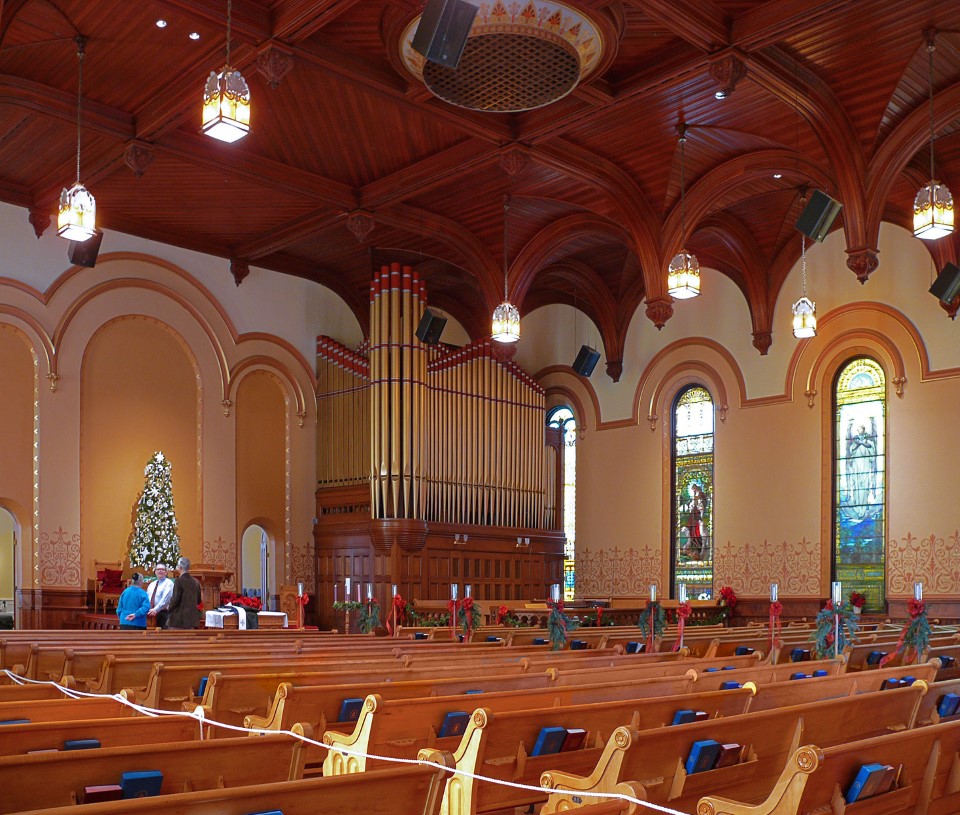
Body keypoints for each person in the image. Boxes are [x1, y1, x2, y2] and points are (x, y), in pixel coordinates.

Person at [165, 556, 202, 629]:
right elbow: (198, 600)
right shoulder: (196, 581)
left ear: (180, 567)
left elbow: (175, 599)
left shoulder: (179, 581)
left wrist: (169, 607)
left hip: (179, 620)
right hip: (192, 619)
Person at [146, 563, 174, 629]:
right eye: (158, 569)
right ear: (155, 572)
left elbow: (165, 600)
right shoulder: (151, 584)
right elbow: (147, 598)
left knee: (162, 634)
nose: (160, 571)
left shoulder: (169, 583)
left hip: (163, 614)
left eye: (162, 569)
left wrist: (155, 610)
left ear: (166, 572)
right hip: (151, 614)